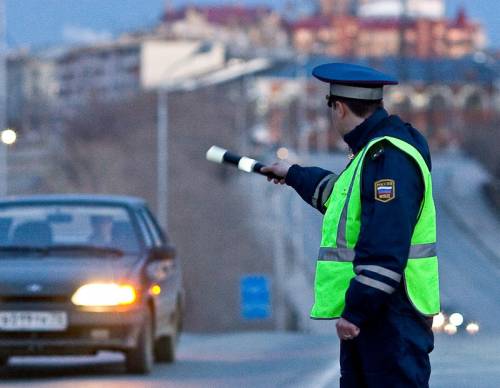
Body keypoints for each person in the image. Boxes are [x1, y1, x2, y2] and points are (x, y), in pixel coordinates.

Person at [262, 63, 440, 387]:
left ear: (339, 108)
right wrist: (293, 174)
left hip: (390, 316)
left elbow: (386, 247)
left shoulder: (388, 158)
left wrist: (356, 311)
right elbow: (340, 199)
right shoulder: (372, 153)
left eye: (330, 107)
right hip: (382, 316)